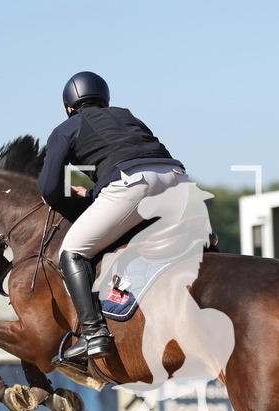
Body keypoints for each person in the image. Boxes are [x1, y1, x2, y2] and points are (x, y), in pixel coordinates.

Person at [38, 71, 187, 364]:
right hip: (178, 180)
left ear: (69, 107)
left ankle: (94, 334)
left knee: (73, 252)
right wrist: (96, 194)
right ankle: (209, 244)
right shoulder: (127, 116)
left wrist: (78, 198)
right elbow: (135, 159)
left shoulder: (68, 126)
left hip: (133, 185)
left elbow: (49, 189)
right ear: (106, 102)